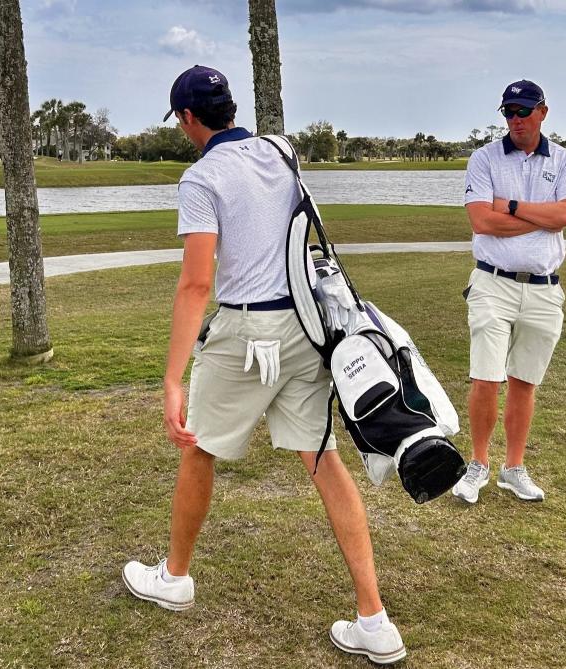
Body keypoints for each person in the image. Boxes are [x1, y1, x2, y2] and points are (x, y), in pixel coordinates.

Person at [121, 65, 406, 665]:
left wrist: (172, 377)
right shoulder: (282, 152)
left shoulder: (201, 178)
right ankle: (374, 618)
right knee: (324, 459)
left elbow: (197, 282)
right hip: (304, 328)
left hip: (248, 330)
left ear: (187, 119)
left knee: (197, 445)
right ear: (231, 108)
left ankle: (175, 578)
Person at [452, 79, 566, 504]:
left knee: (524, 381)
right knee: (486, 379)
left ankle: (513, 468)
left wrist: (509, 205)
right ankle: (478, 464)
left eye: (523, 112)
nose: (515, 120)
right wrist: (544, 218)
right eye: (508, 112)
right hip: (493, 282)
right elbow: (481, 222)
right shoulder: (484, 158)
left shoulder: (563, 161)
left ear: (543, 111)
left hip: (543, 289)